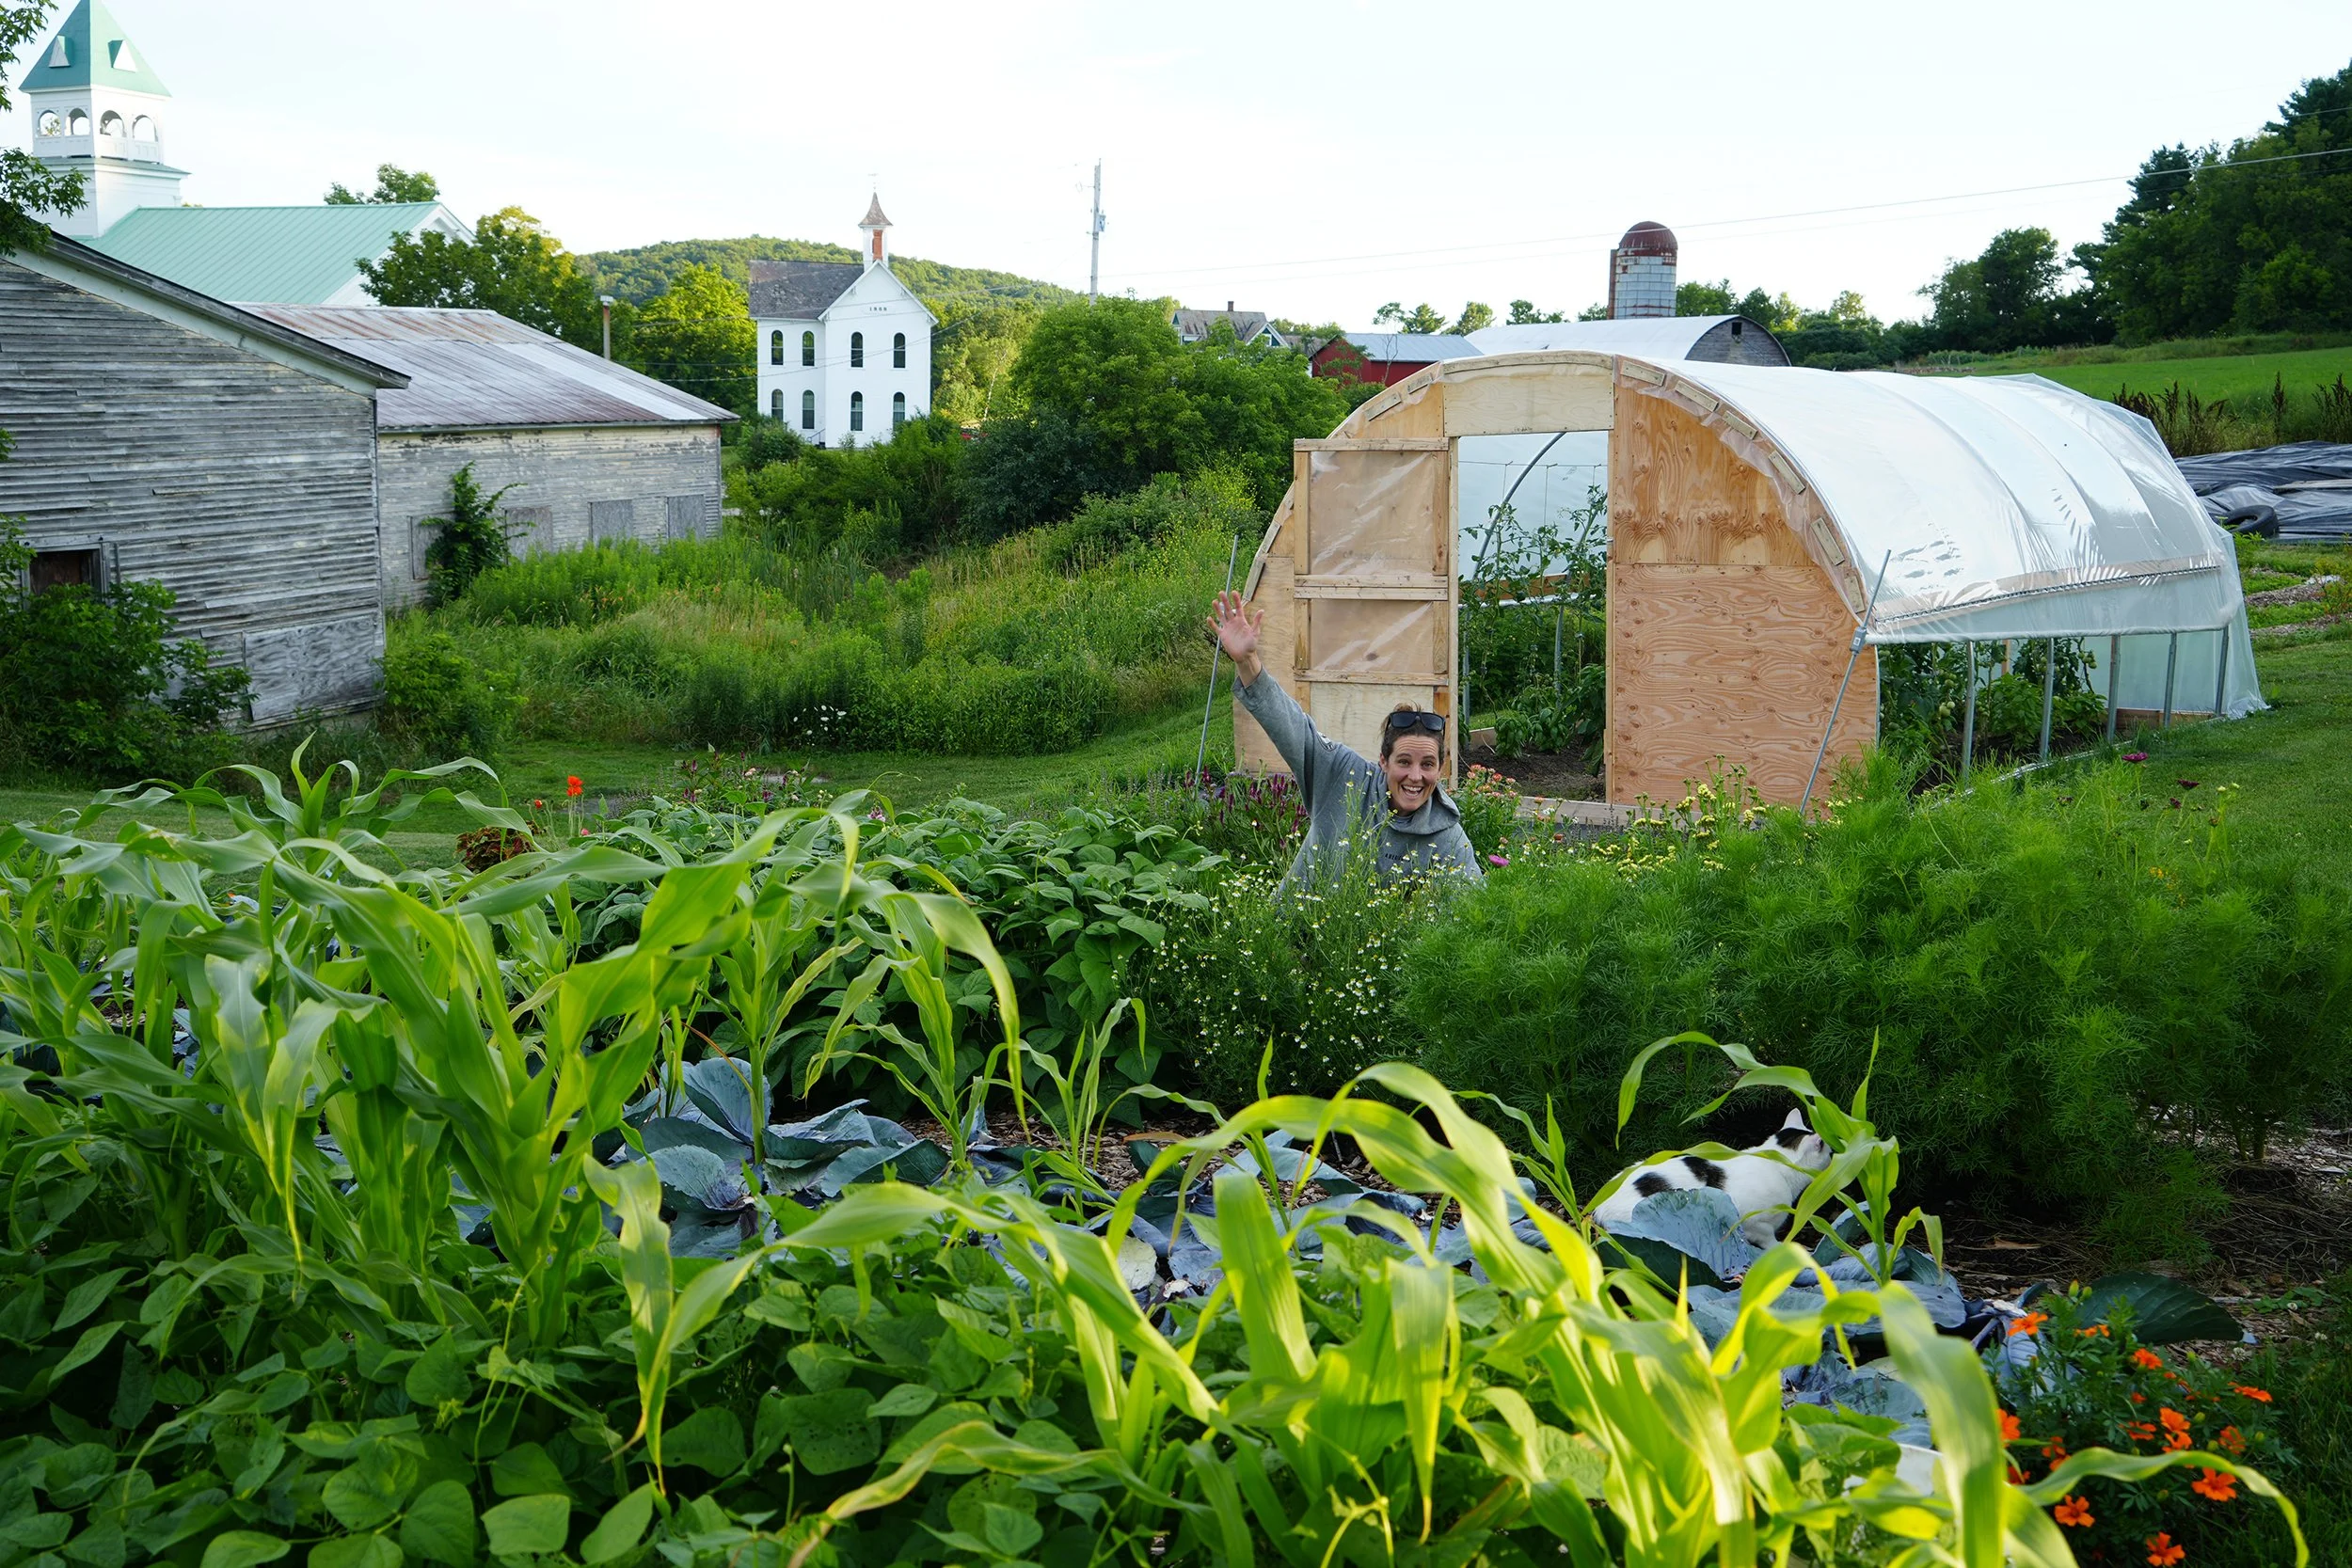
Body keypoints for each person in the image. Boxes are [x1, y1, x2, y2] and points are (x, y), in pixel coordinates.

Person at [1207, 590, 1482, 889]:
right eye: (1404, 761)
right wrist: (1248, 662)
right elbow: (1295, 731)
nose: (1415, 776)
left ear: (1440, 768)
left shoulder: (1447, 836)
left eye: (1427, 764)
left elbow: (1472, 914)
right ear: (1383, 761)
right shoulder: (1344, 776)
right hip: (1292, 929)